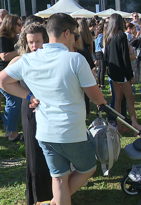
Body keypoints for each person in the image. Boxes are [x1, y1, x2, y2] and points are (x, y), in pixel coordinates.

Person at [0, 12, 107, 205]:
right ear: (67, 33)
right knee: (88, 168)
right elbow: (96, 97)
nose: (76, 39)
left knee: (58, 177)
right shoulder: (75, 59)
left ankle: (54, 202)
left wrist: (29, 95)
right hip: (71, 132)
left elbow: (3, 80)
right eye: (76, 35)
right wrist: (103, 101)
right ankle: (53, 203)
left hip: (45, 132)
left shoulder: (29, 59)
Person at [11, 23, 52, 205]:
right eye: (31, 42)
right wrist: (27, 95)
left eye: (38, 41)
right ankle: (38, 198)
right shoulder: (22, 60)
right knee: (34, 154)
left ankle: (53, 195)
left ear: (45, 40)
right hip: (30, 110)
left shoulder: (50, 58)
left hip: (49, 111)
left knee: (50, 152)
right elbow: (4, 80)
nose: (34, 45)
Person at [105, 13, 137, 131]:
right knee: (130, 99)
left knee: (118, 99)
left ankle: (119, 126)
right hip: (121, 72)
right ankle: (135, 127)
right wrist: (130, 75)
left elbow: (106, 56)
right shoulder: (121, 35)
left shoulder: (109, 36)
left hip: (113, 72)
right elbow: (125, 57)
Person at [0, 14, 23, 141]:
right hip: (4, 75)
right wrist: (22, 51)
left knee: (11, 101)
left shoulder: (9, 38)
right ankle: (13, 133)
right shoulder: (3, 38)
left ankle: (9, 131)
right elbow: (4, 56)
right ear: (11, 25)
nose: (21, 27)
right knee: (14, 101)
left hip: (8, 74)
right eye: (18, 24)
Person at [95, 21, 105, 88]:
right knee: (102, 68)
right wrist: (103, 46)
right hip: (100, 51)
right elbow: (100, 43)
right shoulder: (101, 35)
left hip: (96, 52)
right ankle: (102, 83)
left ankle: (99, 83)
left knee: (100, 68)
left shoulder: (96, 35)